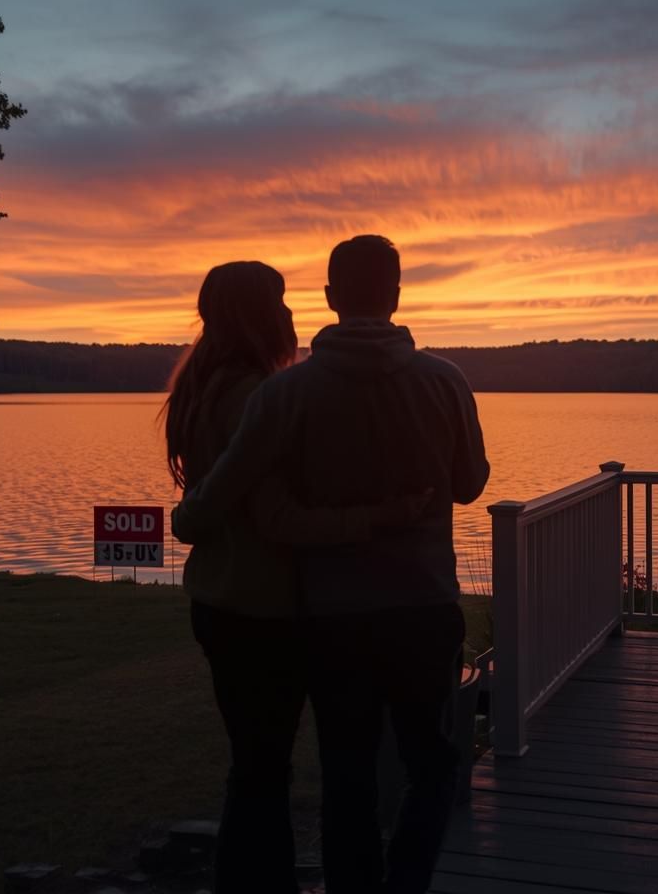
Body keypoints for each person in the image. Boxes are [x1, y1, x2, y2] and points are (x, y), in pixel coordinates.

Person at [172, 235, 490, 894]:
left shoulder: (284, 394)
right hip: (421, 606)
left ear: (330, 297)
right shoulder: (446, 379)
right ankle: (403, 882)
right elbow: (469, 484)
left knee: (343, 775)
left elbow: (220, 502)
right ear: (397, 294)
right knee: (430, 765)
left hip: (328, 617)